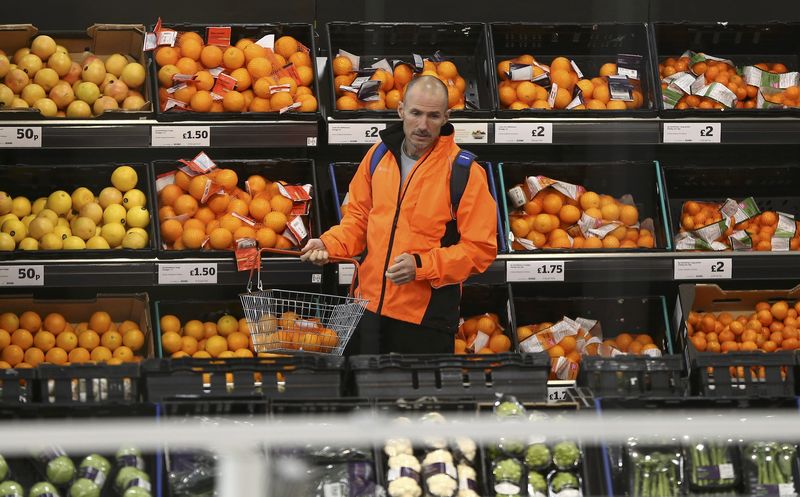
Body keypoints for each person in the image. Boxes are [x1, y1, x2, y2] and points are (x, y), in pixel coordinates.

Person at [301, 75, 497, 354]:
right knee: (364, 395)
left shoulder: (464, 173)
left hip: (425, 322)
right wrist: (328, 244)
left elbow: (480, 249)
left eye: (433, 116)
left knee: (414, 399)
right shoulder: (378, 156)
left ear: (446, 117)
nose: (422, 125)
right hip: (367, 310)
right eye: (416, 113)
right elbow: (357, 220)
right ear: (401, 110)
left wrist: (422, 265)